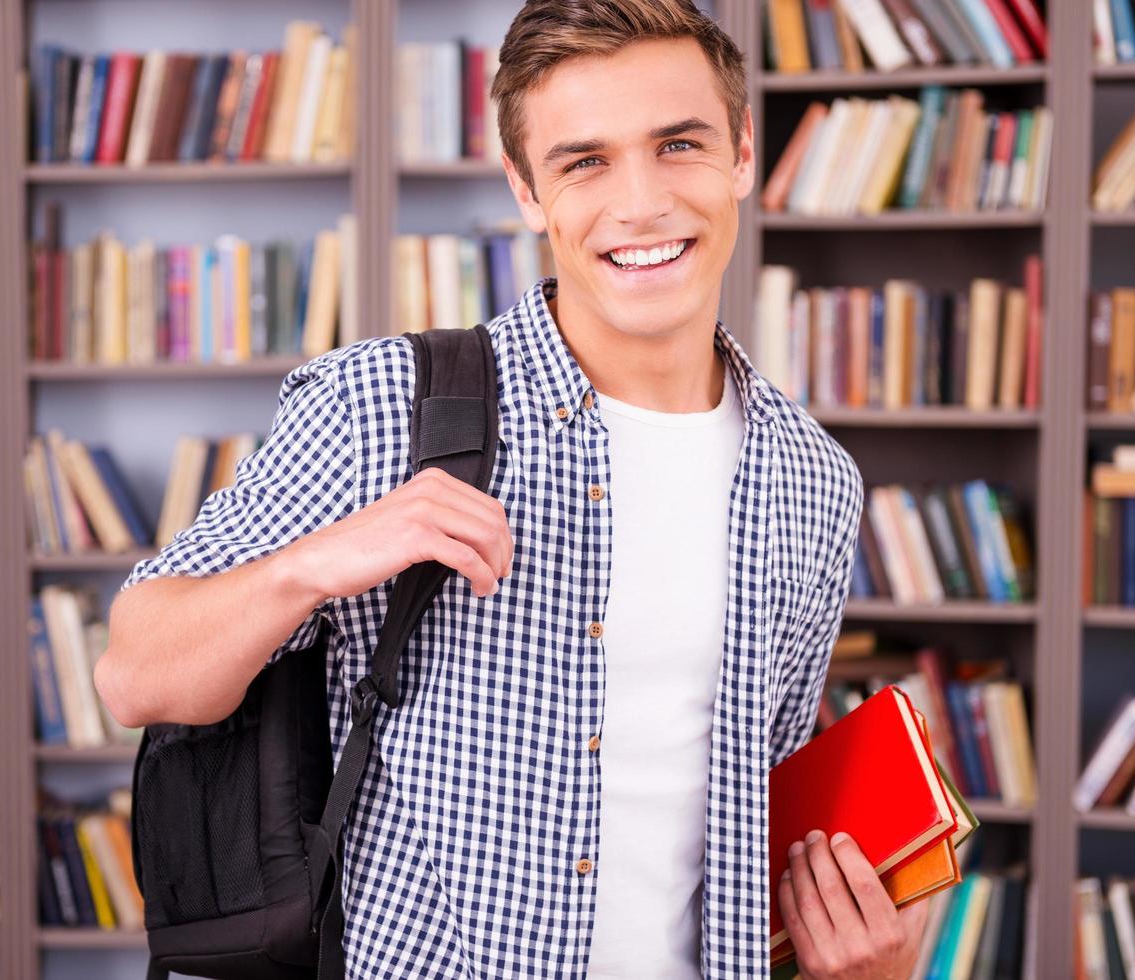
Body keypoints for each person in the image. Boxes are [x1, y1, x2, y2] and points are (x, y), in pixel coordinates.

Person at [95, 1, 928, 976]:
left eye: (679, 145)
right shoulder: (380, 405)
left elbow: (758, 822)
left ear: (741, 155)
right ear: (526, 190)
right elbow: (134, 673)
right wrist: (312, 565)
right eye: (584, 161)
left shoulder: (812, 481)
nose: (640, 202)